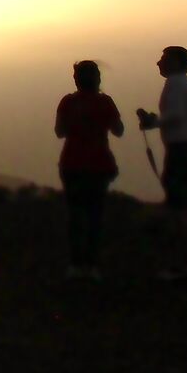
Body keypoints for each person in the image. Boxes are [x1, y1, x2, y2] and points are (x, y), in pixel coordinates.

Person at [136, 45, 187, 280]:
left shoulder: (175, 84)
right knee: (184, 207)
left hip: (181, 150)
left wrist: (153, 122)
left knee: (178, 209)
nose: (159, 63)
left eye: (163, 58)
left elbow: (176, 116)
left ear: (176, 63)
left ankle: (182, 264)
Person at [53, 60, 124, 279]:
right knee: (95, 216)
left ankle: (76, 264)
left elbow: (59, 132)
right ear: (97, 78)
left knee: (75, 216)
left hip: (72, 163)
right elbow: (119, 130)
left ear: (76, 79)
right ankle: (92, 265)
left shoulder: (67, 102)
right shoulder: (105, 102)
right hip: (99, 164)